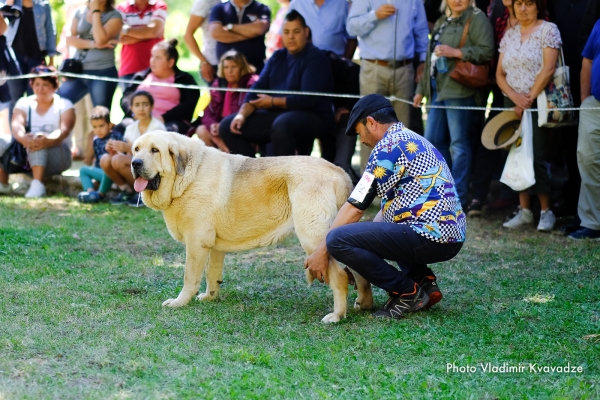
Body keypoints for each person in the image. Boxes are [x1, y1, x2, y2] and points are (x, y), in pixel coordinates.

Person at [304, 94, 466, 320]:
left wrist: (322, 250)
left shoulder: (387, 149)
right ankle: (424, 283)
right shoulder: (411, 139)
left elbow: (356, 206)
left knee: (337, 239)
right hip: (450, 236)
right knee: (380, 227)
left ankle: (406, 291)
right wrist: (359, 257)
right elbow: (386, 214)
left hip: (429, 236)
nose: (361, 140)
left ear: (371, 122)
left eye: (360, 132)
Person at [218, 11, 334, 158]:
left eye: (296, 31)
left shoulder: (316, 58)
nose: (291, 36)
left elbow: (308, 99)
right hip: (278, 113)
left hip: (314, 116)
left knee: (282, 124)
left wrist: (272, 101)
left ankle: (282, 177)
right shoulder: (277, 56)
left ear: (306, 32)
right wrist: (241, 115)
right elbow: (256, 89)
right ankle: (254, 173)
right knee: (227, 126)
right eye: (286, 32)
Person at [413, 0, 494, 208]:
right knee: (432, 142)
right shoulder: (442, 20)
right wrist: (421, 90)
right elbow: (431, 58)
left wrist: (457, 52)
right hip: (437, 90)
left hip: (460, 90)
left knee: (459, 145)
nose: (458, 0)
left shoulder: (477, 18)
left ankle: (457, 199)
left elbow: (487, 52)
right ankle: (440, 194)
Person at [496, 0, 561, 231]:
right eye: (519, 3)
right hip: (512, 102)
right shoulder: (510, 34)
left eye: (529, 3)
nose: (523, 8)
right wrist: (515, 98)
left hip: (538, 102)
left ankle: (546, 211)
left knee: (536, 155)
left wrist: (528, 98)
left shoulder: (548, 30)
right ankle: (524, 210)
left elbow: (549, 68)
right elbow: (500, 74)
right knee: (515, 154)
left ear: (538, 6)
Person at [347, 0, 429, 173]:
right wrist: (374, 15)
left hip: (405, 69)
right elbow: (351, 27)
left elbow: (421, 31)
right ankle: (367, 190)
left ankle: (399, 187)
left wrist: (423, 61)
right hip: (373, 68)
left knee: (402, 133)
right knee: (368, 129)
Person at [466, 0, 519, 217]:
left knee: (516, 142)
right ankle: (478, 195)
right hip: (495, 83)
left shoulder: (529, 9)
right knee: (487, 139)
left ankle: (513, 198)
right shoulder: (498, 12)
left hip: (523, 89)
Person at [5, 66, 76, 198]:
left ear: (54, 86)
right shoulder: (24, 102)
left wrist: (47, 140)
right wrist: (24, 138)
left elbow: (64, 130)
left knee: (38, 142)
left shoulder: (65, 104)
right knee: (3, 141)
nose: (40, 89)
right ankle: (2, 183)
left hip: (59, 155)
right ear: (31, 85)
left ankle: (38, 185)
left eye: (45, 85)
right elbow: (16, 125)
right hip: (26, 155)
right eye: (36, 84)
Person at [119, 39, 200, 135]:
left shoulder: (184, 79)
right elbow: (126, 98)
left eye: (158, 58)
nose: (153, 61)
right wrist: (135, 114)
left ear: (171, 62)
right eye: (152, 56)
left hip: (169, 122)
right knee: (120, 130)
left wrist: (163, 118)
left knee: (164, 135)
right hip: (137, 119)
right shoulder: (140, 76)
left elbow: (188, 105)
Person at [101, 90, 165, 207]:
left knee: (117, 160)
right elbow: (129, 155)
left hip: (153, 170)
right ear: (131, 108)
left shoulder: (158, 127)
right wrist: (115, 150)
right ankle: (127, 191)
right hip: (137, 168)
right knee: (106, 158)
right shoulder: (130, 128)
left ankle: (145, 192)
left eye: (145, 104)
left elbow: (158, 156)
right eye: (137, 105)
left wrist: (129, 148)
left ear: (152, 107)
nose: (141, 109)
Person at [568, 19, 600, 240]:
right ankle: (592, 223)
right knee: (588, 160)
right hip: (594, 104)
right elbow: (587, 60)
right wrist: (585, 99)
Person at [58, 0, 122, 110]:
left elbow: (100, 39)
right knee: (59, 104)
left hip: (102, 72)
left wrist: (96, 11)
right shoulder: (80, 12)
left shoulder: (115, 16)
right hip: (78, 71)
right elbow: (69, 39)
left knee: (100, 114)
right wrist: (93, 45)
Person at [196, 50, 258, 152]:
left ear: (242, 68)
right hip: (221, 129)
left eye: (234, 67)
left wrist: (225, 126)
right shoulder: (219, 85)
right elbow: (208, 112)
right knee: (201, 130)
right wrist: (212, 125)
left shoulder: (252, 83)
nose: (230, 71)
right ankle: (225, 157)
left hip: (241, 127)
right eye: (226, 67)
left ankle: (233, 155)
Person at [6, 0, 57, 116]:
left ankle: (33, 132)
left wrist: (52, 60)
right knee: (14, 100)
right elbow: (3, 17)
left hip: (36, 59)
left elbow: (50, 31)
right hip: (14, 60)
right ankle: (17, 133)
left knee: (35, 99)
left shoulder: (43, 5)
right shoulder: (10, 3)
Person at [208, 0, 271, 74]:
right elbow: (215, 33)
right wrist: (251, 34)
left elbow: (260, 28)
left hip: (254, 71)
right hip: (227, 73)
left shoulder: (261, 8)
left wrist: (230, 27)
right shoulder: (219, 8)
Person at [77, 106, 124, 203]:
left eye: (101, 126)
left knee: (108, 167)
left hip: (114, 173)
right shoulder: (96, 140)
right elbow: (96, 161)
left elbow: (122, 157)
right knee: (83, 170)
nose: (98, 130)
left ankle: (100, 194)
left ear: (110, 125)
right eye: (94, 127)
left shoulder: (116, 136)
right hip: (101, 172)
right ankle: (91, 193)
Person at [117, 0, 167, 86]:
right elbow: (119, 38)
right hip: (129, 69)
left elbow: (154, 31)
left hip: (157, 70)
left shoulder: (159, 5)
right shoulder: (122, 8)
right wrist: (149, 34)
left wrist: (125, 30)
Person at [288, 0, 356, 59]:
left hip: (335, 66)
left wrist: (344, 64)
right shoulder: (296, 3)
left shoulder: (341, 3)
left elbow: (352, 39)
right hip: (304, 64)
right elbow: (286, 35)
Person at [184, 0, 221, 83]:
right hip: (212, 62)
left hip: (227, 61)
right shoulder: (204, 2)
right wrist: (203, 61)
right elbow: (188, 35)